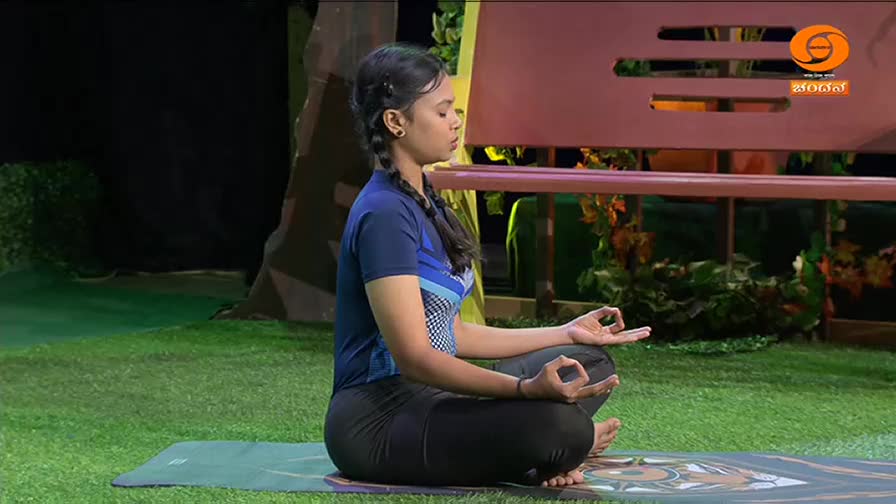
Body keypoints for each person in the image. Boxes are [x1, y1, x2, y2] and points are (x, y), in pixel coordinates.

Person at [324, 42, 651, 489]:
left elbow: (450, 334)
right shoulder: (384, 214)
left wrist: (565, 332)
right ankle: (551, 444)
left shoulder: (426, 200)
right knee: (562, 429)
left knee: (586, 361)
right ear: (396, 121)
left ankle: (539, 446)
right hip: (378, 420)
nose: (456, 121)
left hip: (436, 397)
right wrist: (524, 391)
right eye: (441, 112)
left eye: (453, 109)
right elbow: (415, 358)